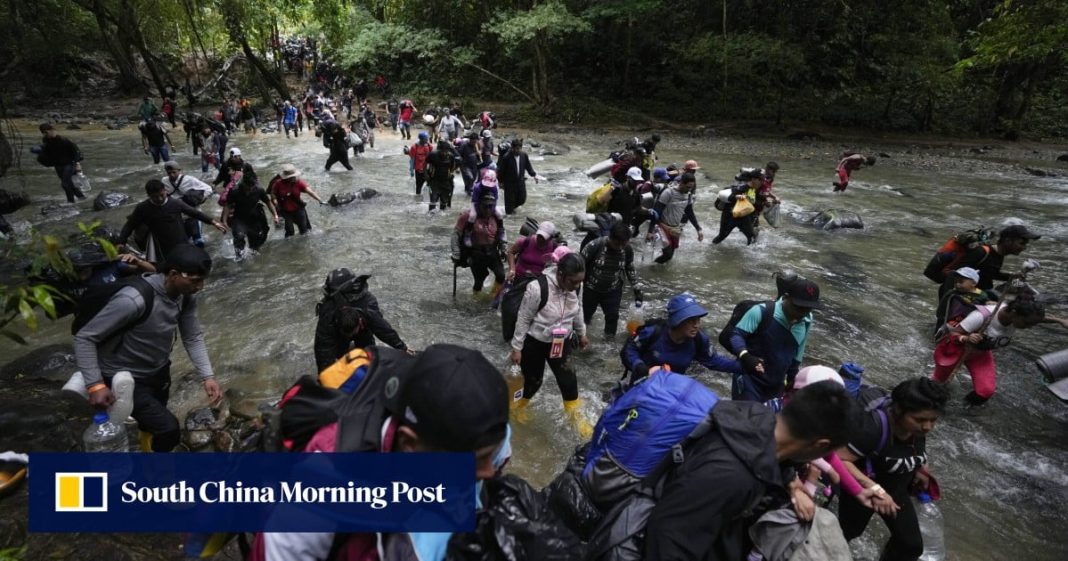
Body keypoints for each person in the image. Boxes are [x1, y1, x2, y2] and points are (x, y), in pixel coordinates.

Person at [251, 344, 510, 561]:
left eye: (492, 454)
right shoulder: (322, 488)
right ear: (409, 444)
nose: (490, 471)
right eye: (475, 462)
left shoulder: (480, 430)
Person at [643, 381, 858, 561]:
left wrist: (791, 482)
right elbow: (666, 539)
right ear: (820, 445)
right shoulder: (731, 475)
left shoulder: (756, 416)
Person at [73, 245, 223, 452]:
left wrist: (208, 376)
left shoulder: (185, 296)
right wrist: (96, 385)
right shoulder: (133, 300)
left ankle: (147, 451)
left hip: (158, 369)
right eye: (195, 280)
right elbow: (85, 337)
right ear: (173, 274)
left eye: (202, 279)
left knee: (152, 423)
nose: (200, 286)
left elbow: (192, 336)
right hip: (123, 376)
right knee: (169, 429)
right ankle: (156, 474)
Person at [836, 378, 949, 561]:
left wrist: (921, 468)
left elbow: (915, 449)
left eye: (933, 420)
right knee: (844, 536)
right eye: (920, 419)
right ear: (898, 411)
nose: (928, 426)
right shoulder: (873, 428)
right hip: (863, 493)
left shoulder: (917, 429)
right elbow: (839, 459)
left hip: (896, 490)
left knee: (910, 546)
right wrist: (876, 490)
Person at [509, 249, 591, 437]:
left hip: (561, 341)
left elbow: (578, 309)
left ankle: (575, 418)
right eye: (573, 281)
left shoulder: (576, 286)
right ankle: (519, 406)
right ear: (560, 274)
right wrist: (517, 348)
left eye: (580, 281)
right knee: (533, 381)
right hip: (535, 342)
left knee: (569, 380)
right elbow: (523, 318)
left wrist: (582, 333)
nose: (577, 285)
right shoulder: (537, 288)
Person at [932, 298, 1068, 405]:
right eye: (1027, 323)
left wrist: (1060, 321)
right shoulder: (982, 316)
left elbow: (1038, 319)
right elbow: (952, 333)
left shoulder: (1019, 316)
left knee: (985, 392)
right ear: (1014, 313)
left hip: (980, 353)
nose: (1029, 327)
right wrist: (966, 338)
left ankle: (963, 410)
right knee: (937, 386)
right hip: (955, 350)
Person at [726, 278, 820, 402]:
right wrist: (745, 356)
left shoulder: (807, 320)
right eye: (798, 307)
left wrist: (792, 379)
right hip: (749, 380)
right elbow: (736, 335)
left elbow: (798, 351)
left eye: (808, 308)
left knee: (771, 420)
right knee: (747, 418)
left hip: (776, 385)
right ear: (786, 297)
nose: (802, 313)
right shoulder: (762, 311)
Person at [621, 292, 739, 382]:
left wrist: (748, 366)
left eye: (698, 320)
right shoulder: (653, 332)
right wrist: (639, 366)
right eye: (691, 321)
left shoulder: (699, 340)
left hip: (672, 389)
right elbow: (629, 350)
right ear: (677, 321)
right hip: (641, 384)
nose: (697, 325)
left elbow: (714, 361)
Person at [313, 268, 413, 372]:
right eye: (348, 334)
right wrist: (324, 376)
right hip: (339, 332)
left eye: (351, 333)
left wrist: (402, 348)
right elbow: (323, 348)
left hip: (363, 329)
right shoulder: (328, 313)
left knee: (369, 356)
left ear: (360, 322)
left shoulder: (368, 306)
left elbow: (383, 329)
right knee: (340, 359)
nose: (350, 336)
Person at [118, 180, 227, 260]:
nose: (160, 199)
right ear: (149, 196)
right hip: (159, 243)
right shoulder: (143, 208)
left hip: (180, 239)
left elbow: (195, 213)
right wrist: (121, 242)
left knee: (185, 262)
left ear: (165, 191)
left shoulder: (175, 203)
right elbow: (130, 225)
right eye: (155, 197)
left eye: (162, 195)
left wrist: (213, 222)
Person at [937, 224, 1041, 305]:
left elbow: (990, 273)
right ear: (1008, 241)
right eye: (1022, 243)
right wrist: (948, 303)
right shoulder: (981, 252)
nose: (1024, 247)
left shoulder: (999, 255)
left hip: (977, 296)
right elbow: (954, 274)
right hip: (961, 298)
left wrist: (1012, 276)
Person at [582, 222, 642, 337]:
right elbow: (579, 266)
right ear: (610, 237)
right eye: (616, 244)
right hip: (590, 289)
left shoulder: (627, 250)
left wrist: (637, 289)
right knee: (585, 317)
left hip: (613, 290)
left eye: (623, 244)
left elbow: (629, 268)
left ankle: (608, 344)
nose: (619, 247)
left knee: (612, 317)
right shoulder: (594, 246)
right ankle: (583, 338)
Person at [452, 194, 507, 294]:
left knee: (501, 275)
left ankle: (493, 297)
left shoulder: (496, 216)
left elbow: (502, 232)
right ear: (478, 205)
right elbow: (456, 235)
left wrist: (503, 247)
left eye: (491, 206)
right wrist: (456, 253)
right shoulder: (467, 216)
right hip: (476, 253)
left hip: (492, 251)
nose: (488, 210)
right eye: (485, 206)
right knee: (479, 280)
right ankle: (476, 298)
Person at [646, 171, 703, 263]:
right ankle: (652, 268)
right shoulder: (668, 193)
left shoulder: (688, 195)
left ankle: (657, 269)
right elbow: (656, 212)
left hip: (675, 228)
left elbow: (690, 213)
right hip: (661, 226)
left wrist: (698, 229)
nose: (689, 190)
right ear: (681, 183)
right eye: (688, 187)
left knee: (670, 256)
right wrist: (650, 231)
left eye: (691, 187)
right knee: (668, 254)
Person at [222, 174, 279, 258]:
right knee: (239, 237)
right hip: (239, 218)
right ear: (243, 183)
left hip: (254, 218)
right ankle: (239, 258)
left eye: (252, 186)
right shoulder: (234, 191)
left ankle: (253, 258)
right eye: (248, 186)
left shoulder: (259, 189)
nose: (250, 189)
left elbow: (268, 202)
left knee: (255, 243)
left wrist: (275, 215)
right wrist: (224, 220)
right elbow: (227, 205)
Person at [162, 161, 215, 247]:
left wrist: (200, 200)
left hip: (193, 214)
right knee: (182, 241)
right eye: (169, 173)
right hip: (177, 216)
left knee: (198, 241)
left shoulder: (189, 179)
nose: (172, 175)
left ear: (179, 170)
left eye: (174, 172)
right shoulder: (164, 181)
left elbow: (208, 189)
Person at [35, 123, 86, 203]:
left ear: (52, 130)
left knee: (65, 184)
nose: (45, 134)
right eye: (43, 133)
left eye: (46, 132)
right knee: (69, 184)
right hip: (58, 165)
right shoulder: (46, 141)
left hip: (69, 164)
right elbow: (47, 153)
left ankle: (70, 202)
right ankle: (82, 198)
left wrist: (78, 164)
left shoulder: (64, 140)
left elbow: (76, 152)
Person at [269, 164, 325, 237]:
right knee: (290, 232)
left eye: (294, 176)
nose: (293, 178)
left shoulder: (299, 182)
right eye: (291, 177)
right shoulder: (278, 184)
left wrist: (320, 200)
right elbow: (273, 194)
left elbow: (310, 192)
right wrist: (275, 203)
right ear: (286, 177)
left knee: (304, 230)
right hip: (284, 211)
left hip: (298, 209)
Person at [712, 168, 762, 245]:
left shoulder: (753, 188)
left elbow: (753, 202)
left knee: (751, 237)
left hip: (743, 216)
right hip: (729, 215)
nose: (762, 183)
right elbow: (730, 197)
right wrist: (737, 197)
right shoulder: (742, 187)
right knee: (721, 236)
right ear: (754, 179)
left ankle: (750, 256)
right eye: (761, 181)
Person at [933, 266, 992, 332]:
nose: (957, 284)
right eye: (956, 281)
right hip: (953, 320)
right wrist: (941, 321)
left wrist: (988, 302)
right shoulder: (952, 293)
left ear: (973, 283)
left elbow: (986, 308)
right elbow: (942, 310)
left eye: (961, 282)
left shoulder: (981, 295)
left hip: (970, 321)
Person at [497, 138, 538, 215]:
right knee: (509, 204)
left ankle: (512, 208)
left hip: (521, 181)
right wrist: (500, 182)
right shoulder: (506, 157)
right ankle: (509, 218)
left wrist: (534, 175)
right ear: (512, 148)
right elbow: (501, 171)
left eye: (519, 149)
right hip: (509, 184)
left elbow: (528, 166)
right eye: (516, 149)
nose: (517, 150)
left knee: (522, 199)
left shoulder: (524, 155)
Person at [426, 140, 459, 212]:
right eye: (442, 151)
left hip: (446, 182)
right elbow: (425, 163)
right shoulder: (432, 155)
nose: (444, 153)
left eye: (446, 151)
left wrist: (451, 173)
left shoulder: (451, 156)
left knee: (444, 202)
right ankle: (430, 217)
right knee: (433, 201)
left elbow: (453, 167)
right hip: (434, 181)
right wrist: (425, 174)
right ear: (439, 150)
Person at [408, 132, 432, 196]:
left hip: (428, 170)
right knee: (419, 187)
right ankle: (418, 200)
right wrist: (411, 170)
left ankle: (430, 200)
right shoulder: (414, 147)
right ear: (421, 139)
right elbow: (412, 160)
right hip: (419, 170)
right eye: (426, 139)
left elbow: (432, 158)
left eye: (427, 138)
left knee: (431, 185)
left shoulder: (429, 146)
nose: (427, 140)